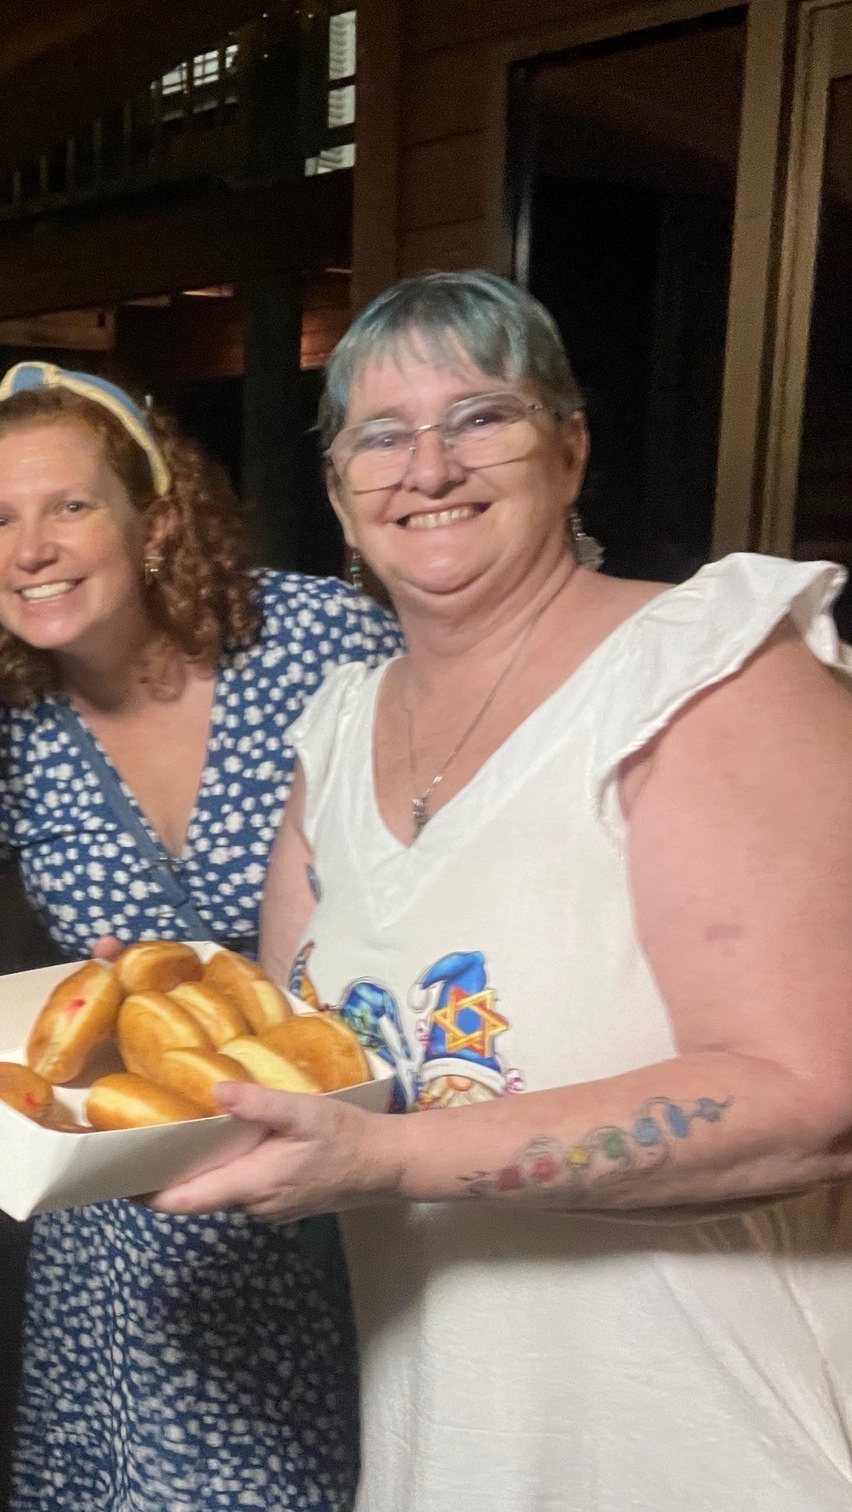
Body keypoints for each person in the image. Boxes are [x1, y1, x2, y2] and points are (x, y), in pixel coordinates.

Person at [149, 269, 852, 1508]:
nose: (429, 468)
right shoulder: (337, 732)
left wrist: (393, 1159)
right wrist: (154, 1022)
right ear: (340, 498)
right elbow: (301, 1054)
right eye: (382, 435)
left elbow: (812, 1097)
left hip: (711, 1446)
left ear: (570, 450)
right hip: (448, 1440)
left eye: (482, 416)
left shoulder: (708, 670)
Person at [0, 361, 402, 1509]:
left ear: (156, 520)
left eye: (69, 505)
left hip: (339, 1182)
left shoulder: (318, 641)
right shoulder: (10, 738)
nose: (31, 545)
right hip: (128, 1227)